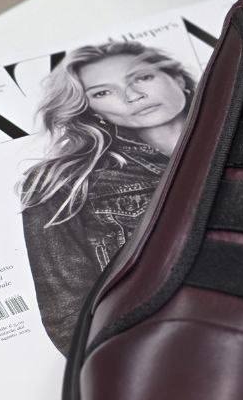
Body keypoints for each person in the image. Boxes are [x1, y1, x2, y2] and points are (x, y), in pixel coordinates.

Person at [19, 41, 198, 355]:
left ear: (177, 78)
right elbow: (69, 315)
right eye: (103, 92)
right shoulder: (66, 184)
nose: (132, 96)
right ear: (91, 110)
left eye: (142, 78)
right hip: (172, 353)